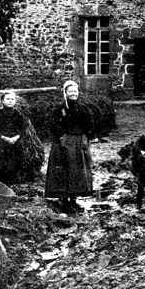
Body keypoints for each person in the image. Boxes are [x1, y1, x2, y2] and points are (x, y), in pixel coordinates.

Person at [45, 80, 94, 212]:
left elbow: (90, 126)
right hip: (62, 143)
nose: (73, 94)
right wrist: (61, 138)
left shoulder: (84, 109)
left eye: (75, 91)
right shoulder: (59, 109)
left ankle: (73, 199)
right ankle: (63, 198)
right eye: (70, 91)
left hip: (78, 143)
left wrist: (85, 138)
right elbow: (52, 126)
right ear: (65, 93)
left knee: (77, 171)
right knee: (62, 170)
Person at [0, 90, 26, 185]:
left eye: (12, 99)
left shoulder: (18, 113)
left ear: (15, 101)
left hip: (14, 139)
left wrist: (16, 137)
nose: (10, 101)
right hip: (2, 140)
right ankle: (2, 182)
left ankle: (14, 182)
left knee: (15, 160)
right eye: (8, 99)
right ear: (3, 101)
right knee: (1, 161)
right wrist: (4, 138)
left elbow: (23, 128)